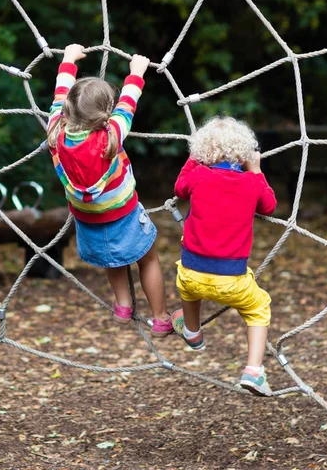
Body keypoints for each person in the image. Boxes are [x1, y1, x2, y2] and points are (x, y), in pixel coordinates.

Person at [46, 44, 172, 337]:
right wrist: (136, 73)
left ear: (67, 110)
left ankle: (123, 305)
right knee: (148, 258)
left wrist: (67, 60)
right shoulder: (111, 135)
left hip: (87, 219)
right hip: (123, 215)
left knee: (112, 260)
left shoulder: (55, 132)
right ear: (105, 112)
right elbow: (128, 103)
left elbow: (59, 95)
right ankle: (160, 318)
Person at [171, 116, 276, 395]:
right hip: (231, 280)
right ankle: (254, 371)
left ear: (202, 152)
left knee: (189, 288)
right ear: (243, 153)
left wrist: (194, 160)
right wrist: (256, 170)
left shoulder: (198, 175)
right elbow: (269, 206)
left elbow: (179, 188)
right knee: (258, 308)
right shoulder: (251, 183)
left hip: (190, 272)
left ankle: (192, 332)